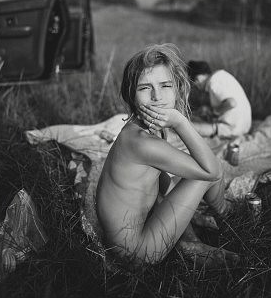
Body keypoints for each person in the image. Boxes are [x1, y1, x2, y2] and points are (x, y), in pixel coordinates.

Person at [95, 44, 238, 266]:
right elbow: (212, 171)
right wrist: (181, 122)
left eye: (165, 85)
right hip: (138, 253)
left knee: (186, 175)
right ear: (130, 94)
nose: (157, 97)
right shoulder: (140, 142)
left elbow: (162, 184)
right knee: (206, 170)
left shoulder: (147, 128)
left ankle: (190, 243)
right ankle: (227, 216)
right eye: (144, 88)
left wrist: (188, 231)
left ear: (177, 88)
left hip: (142, 232)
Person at [187, 61, 252, 139]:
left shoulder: (213, 82)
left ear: (198, 78)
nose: (197, 86)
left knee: (190, 128)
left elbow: (231, 103)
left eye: (195, 83)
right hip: (245, 125)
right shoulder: (221, 76)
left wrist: (214, 112)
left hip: (234, 128)